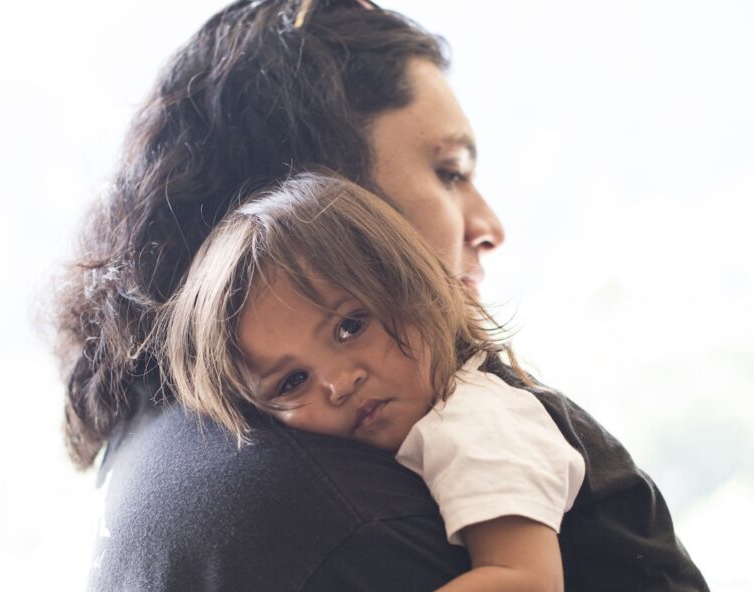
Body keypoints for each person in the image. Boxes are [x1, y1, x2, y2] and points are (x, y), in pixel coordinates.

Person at [52, 0, 708, 590]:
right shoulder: (335, 511)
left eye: (350, 329)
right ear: (321, 203)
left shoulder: (162, 445)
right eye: (448, 171)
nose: (490, 228)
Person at [158, 172, 588, 591]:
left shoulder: (475, 421)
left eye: (351, 326)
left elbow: (528, 580)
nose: (340, 383)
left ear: (416, 287)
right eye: (293, 381)